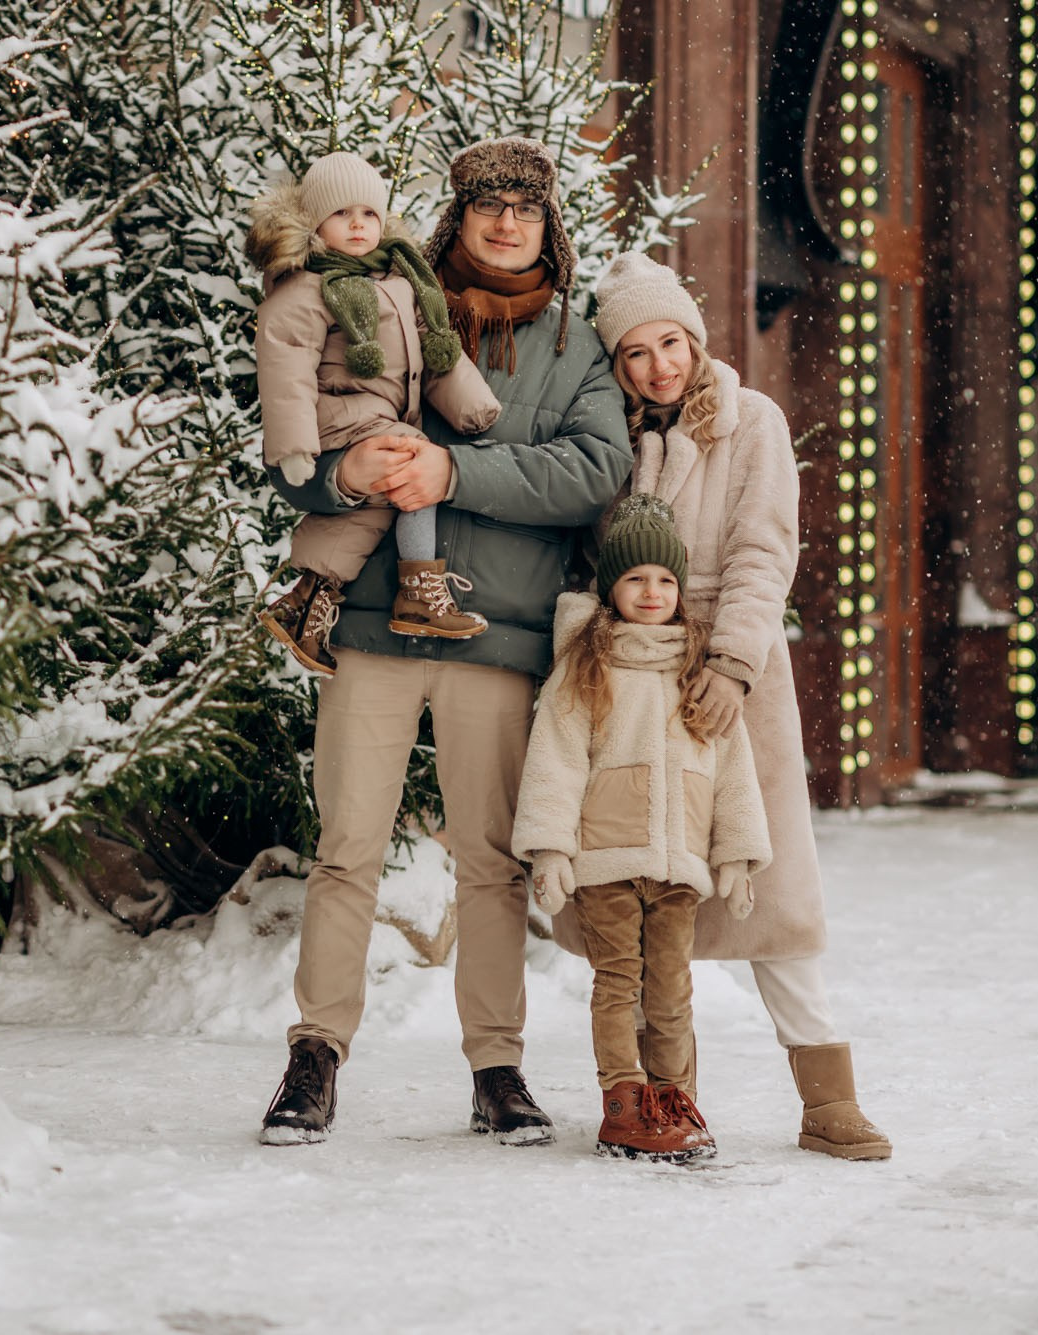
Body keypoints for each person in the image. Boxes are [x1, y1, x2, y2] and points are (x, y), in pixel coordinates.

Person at [257, 137, 632, 1146]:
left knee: (491, 864)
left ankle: (496, 1068)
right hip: (378, 627)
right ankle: (313, 1056)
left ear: (547, 226)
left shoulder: (576, 344)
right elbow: (301, 441)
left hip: (498, 638)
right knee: (345, 852)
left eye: (523, 208)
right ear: (455, 219)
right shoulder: (380, 303)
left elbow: (595, 469)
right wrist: (344, 479)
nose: (505, 223)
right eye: (484, 207)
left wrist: (457, 477)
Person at [567, 251, 891, 1160]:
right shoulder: (611, 436)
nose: (656, 366)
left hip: (729, 677)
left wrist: (735, 662)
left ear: (694, 336)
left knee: (770, 888)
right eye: (632, 352)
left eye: (668, 341)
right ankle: (668, 1098)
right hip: (631, 678)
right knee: (643, 890)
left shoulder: (752, 422)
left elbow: (763, 550)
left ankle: (828, 1097)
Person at [511, 495, 771, 1162]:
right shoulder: (588, 664)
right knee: (618, 983)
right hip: (606, 860)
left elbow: (732, 767)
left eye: (664, 579)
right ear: (611, 589)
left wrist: (736, 855)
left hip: (680, 861)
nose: (651, 592)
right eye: (634, 578)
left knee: (672, 990)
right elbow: (557, 757)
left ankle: (673, 1098)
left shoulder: (698, 666)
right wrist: (551, 848)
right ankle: (624, 1102)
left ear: (680, 589)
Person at [248, 152, 503, 673]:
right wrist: (294, 447)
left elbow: (435, 351)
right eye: (342, 214)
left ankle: (305, 604)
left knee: (378, 495)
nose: (359, 224)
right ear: (315, 223)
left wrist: (472, 405)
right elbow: (285, 371)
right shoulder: (306, 287)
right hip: (333, 413)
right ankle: (418, 590)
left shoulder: (399, 278)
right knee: (415, 462)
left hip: (378, 415)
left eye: (369, 213)